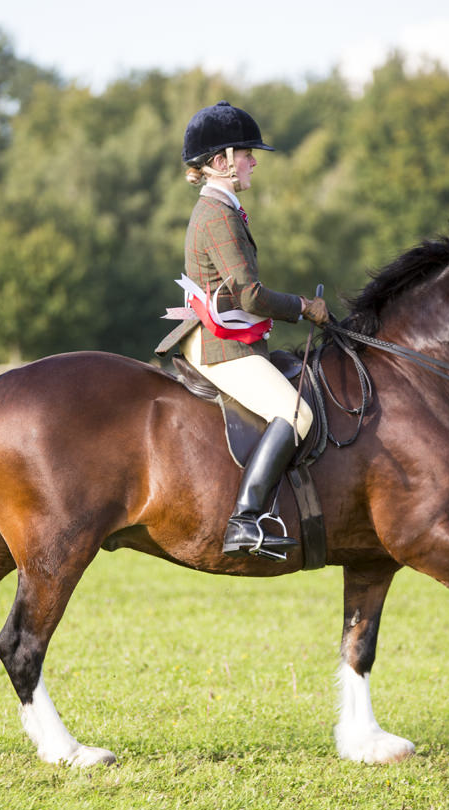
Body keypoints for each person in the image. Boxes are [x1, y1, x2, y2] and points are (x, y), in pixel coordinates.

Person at [156, 101, 329, 560]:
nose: (254, 160)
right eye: (247, 153)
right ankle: (245, 522)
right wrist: (304, 307)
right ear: (221, 162)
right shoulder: (217, 214)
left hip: (225, 340)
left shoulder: (224, 209)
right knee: (297, 415)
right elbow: (250, 295)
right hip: (221, 349)